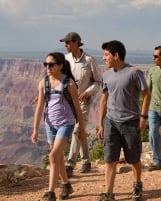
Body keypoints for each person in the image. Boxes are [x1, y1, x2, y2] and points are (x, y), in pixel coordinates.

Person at [97, 40, 151, 201]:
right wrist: (101, 124)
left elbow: (147, 94)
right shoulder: (106, 75)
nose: (103, 58)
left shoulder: (134, 72)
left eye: (106, 55)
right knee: (110, 159)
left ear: (116, 55)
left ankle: (137, 186)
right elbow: (103, 100)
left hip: (131, 122)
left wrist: (143, 116)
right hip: (111, 122)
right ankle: (109, 193)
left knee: (133, 159)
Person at [31, 52, 85, 201]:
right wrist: (35, 129)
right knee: (58, 157)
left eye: (51, 65)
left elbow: (77, 107)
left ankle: (51, 192)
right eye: (45, 64)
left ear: (60, 66)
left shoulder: (69, 83)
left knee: (53, 156)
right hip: (49, 124)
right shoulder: (44, 83)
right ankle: (66, 184)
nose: (47, 67)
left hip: (66, 123)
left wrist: (82, 128)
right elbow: (40, 106)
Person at [59, 32, 102, 177]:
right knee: (81, 131)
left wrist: (88, 92)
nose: (65, 45)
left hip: (83, 102)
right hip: (68, 102)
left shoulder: (89, 60)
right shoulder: (65, 60)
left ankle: (70, 164)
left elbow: (98, 82)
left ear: (76, 42)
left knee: (77, 130)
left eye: (68, 42)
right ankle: (86, 161)